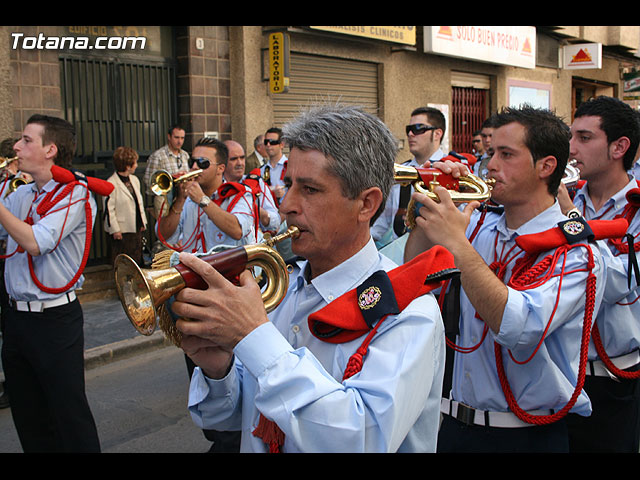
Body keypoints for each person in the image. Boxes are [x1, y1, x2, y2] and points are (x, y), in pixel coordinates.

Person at [171, 104, 449, 453]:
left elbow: (360, 440)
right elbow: (231, 419)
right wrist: (218, 369)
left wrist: (253, 336)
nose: (286, 204)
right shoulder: (279, 290)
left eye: (310, 190)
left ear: (366, 204)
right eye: (288, 184)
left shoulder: (409, 312)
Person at [404, 105, 609, 453]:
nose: (491, 165)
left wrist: (457, 242)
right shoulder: (479, 223)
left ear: (546, 167)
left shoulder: (579, 255)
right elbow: (416, 269)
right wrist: (434, 197)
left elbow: (517, 327)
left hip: (525, 436)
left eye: (507, 155)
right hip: (455, 425)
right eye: (492, 153)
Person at [0, 114, 101, 452]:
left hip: (54, 321)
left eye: (26, 140)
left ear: (50, 150)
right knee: (30, 420)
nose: (17, 146)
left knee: (69, 418)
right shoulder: (22, 193)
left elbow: (36, 241)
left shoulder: (75, 194)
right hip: (16, 319)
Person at [557, 96, 640, 453]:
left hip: (613, 380)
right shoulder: (567, 198)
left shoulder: (636, 207)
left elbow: (618, 285)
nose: (571, 149)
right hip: (560, 377)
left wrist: (570, 214)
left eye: (585, 138)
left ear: (619, 147)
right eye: (570, 137)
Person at [156, 137, 256, 252]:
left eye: (202, 163)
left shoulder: (240, 194)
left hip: (224, 268)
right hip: (191, 267)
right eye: (192, 161)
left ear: (220, 168)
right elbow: (163, 236)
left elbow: (238, 230)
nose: (194, 167)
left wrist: (202, 199)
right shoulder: (187, 197)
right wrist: (179, 200)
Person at [371, 106, 447, 248]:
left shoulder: (452, 169)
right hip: (401, 254)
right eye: (409, 129)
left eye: (419, 128)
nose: (411, 134)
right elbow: (382, 223)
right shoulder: (401, 171)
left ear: (437, 134)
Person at [223, 140, 282, 236]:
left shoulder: (256, 183)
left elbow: (275, 222)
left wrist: (259, 212)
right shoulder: (216, 187)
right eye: (233, 159)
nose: (240, 163)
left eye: (242, 158)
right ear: (222, 163)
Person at [103, 146, 148, 266]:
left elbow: (138, 202)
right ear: (127, 165)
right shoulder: (111, 183)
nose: (137, 165)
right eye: (135, 163)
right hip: (122, 232)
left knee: (137, 260)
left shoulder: (134, 180)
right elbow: (109, 209)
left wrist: (142, 222)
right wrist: (115, 230)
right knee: (123, 262)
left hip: (135, 228)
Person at [143, 124, 190, 219]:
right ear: (169, 137)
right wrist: (169, 179)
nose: (179, 141)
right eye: (176, 137)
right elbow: (148, 180)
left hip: (183, 199)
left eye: (182, 138)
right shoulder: (158, 156)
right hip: (165, 202)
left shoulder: (185, 155)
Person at [259, 127, 287, 203]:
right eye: (266, 142)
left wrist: (284, 195)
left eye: (272, 142)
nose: (268, 145)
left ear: (281, 145)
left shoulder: (290, 167)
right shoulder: (261, 170)